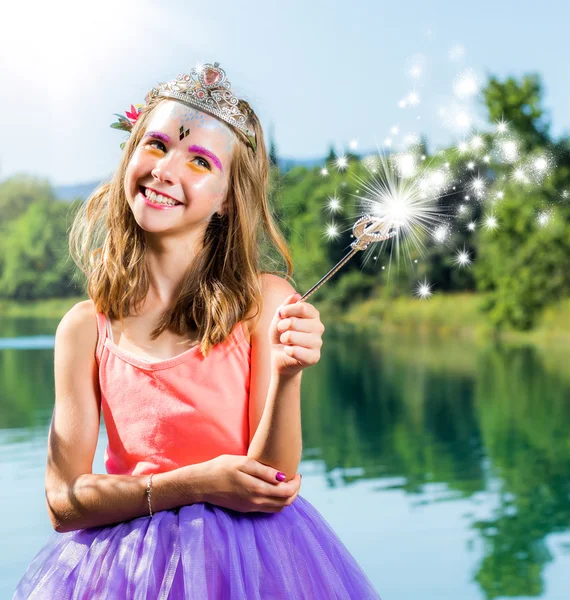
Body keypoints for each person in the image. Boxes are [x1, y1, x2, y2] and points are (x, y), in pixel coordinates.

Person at [13, 62, 381, 599]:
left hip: (253, 569)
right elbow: (63, 502)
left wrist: (287, 374)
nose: (166, 169)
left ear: (228, 198)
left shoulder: (263, 304)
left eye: (200, 161)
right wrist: (196, 483)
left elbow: (272, 483)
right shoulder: (84, 329)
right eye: (157, 145)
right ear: (130, 156)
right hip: (122, 576)